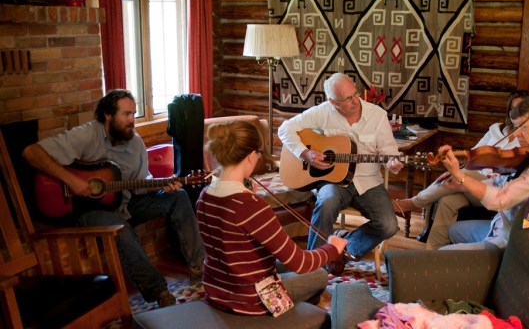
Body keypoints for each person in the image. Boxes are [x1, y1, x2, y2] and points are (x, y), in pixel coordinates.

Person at [22, 89, 205, 308]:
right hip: (88, 211)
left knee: (179, 196)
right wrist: (72, 181)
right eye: (126, 115)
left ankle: (199, 267)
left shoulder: (135, 142)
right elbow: (31, 152)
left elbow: (140, 185)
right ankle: (159, 292)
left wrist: (163, 186)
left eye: (134, 114)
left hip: (126, 204)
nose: (132, 121)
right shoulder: (87, 135)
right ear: (108, 115)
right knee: (120, 228)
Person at [197, 120, 347, 315]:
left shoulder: (205, 196)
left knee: (281, 263)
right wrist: (333, 248)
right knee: (318, 275)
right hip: (252, 300)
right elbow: (300, 264)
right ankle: (290, 314)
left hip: (217, 290)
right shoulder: (251, 206)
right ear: (251, 156)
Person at [278, 72, 404, 275]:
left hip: (368, 181)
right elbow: (285, 129)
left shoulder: (377, 115)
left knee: (389, 225)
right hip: (334, 181)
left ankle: (343, 248)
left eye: (355, 94)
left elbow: (389, 150)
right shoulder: (323, 112)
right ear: (332, 102)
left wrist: (392, 162)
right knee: (326, 201)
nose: (355, 101)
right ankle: (313, 266)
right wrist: (305, 152)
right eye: (347, 99)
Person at [394, 89, 529, 249]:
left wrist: (459, 174)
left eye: (522, 109)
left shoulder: (525, 140)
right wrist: (455, 171)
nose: (517, 114)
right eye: (514, 109)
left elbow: (509, 175)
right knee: (448, 201)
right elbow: (473, 154)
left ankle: (413, 203)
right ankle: (432, 254)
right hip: (469, 182)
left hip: (491, 187)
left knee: (462, 176)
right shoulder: (496, 129)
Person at [436, 94, 529, 250]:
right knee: (454, 231)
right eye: (516, 127)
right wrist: (461, 185)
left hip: (513, 246)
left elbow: (500, 200)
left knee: (443, 251)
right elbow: (501, 183)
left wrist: (460, 176)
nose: (516, 134)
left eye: (523, 127)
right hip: (500, 228)